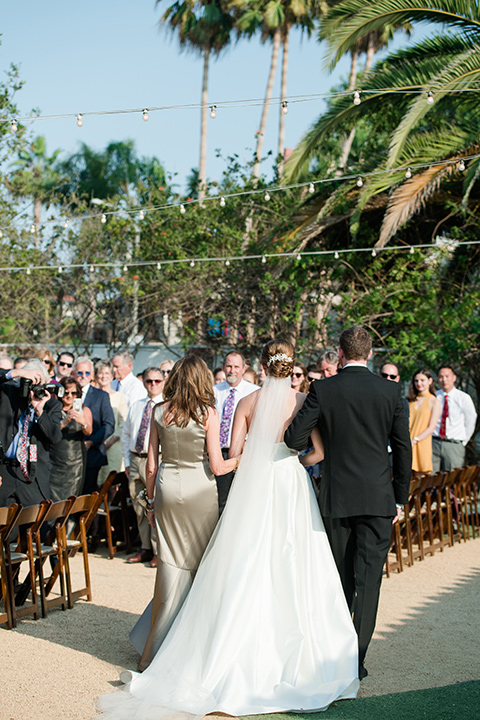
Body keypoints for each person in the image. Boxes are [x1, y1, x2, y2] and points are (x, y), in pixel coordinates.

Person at [98, 342, 359, 719]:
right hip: (289, 483)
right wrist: (289, 460)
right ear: (292, 368)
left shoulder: (247, 403)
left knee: (243, 557)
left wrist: (256, 455)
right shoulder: (304, 401)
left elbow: (233, 452)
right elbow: (317, 453)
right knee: (295, 558)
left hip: (253, 481)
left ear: (263, 367)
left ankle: (193, 645)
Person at [285, 326, 412, 680]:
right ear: (369, 354)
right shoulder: (390, 390)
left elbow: (294, 437)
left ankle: (335, 655)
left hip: (336, 497)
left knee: (341, 579)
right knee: (369, 581)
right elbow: (403, 450)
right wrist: (400, 497)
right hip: (378, 497)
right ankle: (355, 661)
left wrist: (322, 433)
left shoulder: (323, 389)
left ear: (339, 354)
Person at [128, 355, 240, 673]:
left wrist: (150, 502)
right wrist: (244, 457)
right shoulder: (209, 413)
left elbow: (151, 465)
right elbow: (218, 466)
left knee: (169, 563)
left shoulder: (159, 411)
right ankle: (192, 646)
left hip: (166, 486)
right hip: (200, 490)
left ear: (174, 378)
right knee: (202, 564)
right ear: (203, 380)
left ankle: (151, 653)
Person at [0, 359, 62, 507]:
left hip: (32, 475)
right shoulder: (8, 394)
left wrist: (40, 412)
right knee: (4, 527)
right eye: (29, 383)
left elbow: (55, 437)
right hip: (4, 472)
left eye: (39, 384)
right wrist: (16, 372)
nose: (33, 388)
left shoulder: (52, 405)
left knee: (33, 527)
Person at [121, 367, 163, 568]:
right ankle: (145, 547)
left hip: (156, 459)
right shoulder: (137, 405)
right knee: (139, 507)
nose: (152, 384)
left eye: (156, 381)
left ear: (163, 382)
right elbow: (126, 434)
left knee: (155, 505)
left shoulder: (165, 406)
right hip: (136, 458)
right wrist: (128, 463)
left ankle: (158, 551)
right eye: (148, 381)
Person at [213, 350, 259, 513]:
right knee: (221, 502)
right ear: (223, 367)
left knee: (243, 503)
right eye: (229, 366)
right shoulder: (213, 392)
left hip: (245, 455)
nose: (232, 370)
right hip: (219, 453)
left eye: (236, 367)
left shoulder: (254, 392)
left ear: (244, 368)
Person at [73, 357, 115, 493]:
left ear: (92, 375)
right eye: (79, 373)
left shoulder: (101, 396)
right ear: (73, 373)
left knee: (86, 496)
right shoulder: (67, 394)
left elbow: (109, 425)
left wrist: (91, 441)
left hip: (92, 454)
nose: (83, 376)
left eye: (86, 373)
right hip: (67, 455)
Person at [49, 377, 93, 501]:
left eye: (73, 393)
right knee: (52, 497)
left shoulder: (84, 410)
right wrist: (65, 421)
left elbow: (89, 431)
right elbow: (49, 432)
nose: (69, 396)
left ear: (78, 394)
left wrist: (82, 421)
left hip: (75, 460)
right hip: (54, 459)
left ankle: (69, 520)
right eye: (66, 392)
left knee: (71, 498)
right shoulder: (53, 409)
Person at [432, 365, 477, 471]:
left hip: (454, 444)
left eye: (447, 376)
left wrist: (463, 441)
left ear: (454, 378)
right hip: (434, 443)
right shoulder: (434, 397)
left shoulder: (463, 398)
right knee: (431, 480)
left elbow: (471, 420)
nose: (444, 380)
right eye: (441, 377)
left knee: (452, 480)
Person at [95, 360, 129, 486]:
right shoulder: (91, 395)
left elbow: (123, 423)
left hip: (113, 446)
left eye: (106, 373)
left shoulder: (119, 396)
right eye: (100, 373)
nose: (103, 376)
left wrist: (109, 442)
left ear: (111, 375)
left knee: (112, 484)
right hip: (95, 446)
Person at [407, 369, 441, 474]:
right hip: (407, 443)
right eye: (416, 381)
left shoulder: (434, 401)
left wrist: (415, 440)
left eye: (422, 380)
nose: (419, 383)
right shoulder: (410, 401)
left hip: (421, 444)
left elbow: (431, 428)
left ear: (430, 381)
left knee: (420, 481)